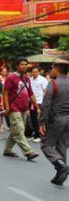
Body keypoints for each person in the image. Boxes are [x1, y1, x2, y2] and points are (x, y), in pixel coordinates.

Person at [39, 56, 69, 186]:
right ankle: (59, 175)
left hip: (57, 118)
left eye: (52, 68)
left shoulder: (53, 83)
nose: (51, 70)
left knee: (46, 144)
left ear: (57, 69)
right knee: (62, 145)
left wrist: (42, 122)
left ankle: (61, 165)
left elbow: (46, 104)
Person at [2, 58, 40, 161]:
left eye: (25, 64)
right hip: (13, 108)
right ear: (17, 66)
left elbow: (31, 93)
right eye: (22, 64)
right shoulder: (11, 77)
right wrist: (7, 107)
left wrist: (36, 106)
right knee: (19, 129)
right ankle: (28, 152)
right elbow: (5, 93)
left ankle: (7, 150)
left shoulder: (27, 78)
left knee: (16, 129)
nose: (24, 66)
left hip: (24, 108)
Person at [28, 66, 48, 143]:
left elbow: (45, 90)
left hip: (40, 102)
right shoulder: (30, 79)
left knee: (39, 120)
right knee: (32, 119)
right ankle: (35, 135)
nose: (34, 73)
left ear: (39, 72)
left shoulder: (43, 79)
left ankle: (40, 136)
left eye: (36, 72)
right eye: (33, 72)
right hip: (32, 102)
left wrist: (45, 102)